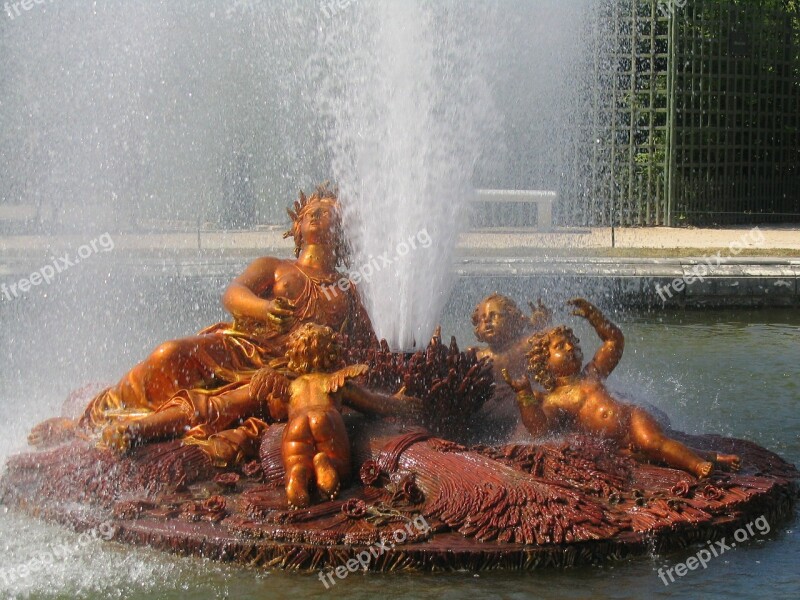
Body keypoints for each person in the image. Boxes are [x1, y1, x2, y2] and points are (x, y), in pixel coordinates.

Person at [29, 184, 376, 446]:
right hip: (245, 347)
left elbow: (365, 347)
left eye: (327, 210)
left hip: (284, 372)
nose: (316, 213)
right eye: (309, 211)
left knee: (227, 404)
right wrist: (265, 308)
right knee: (170, 354)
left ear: (340, 229)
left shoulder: (347, 289)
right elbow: (233, 294)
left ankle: (141, 429)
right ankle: (91, 419)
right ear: (297, 229)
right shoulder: (274, 267)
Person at [503, 298, 740, 479]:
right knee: (651, 453)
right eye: (560, 346)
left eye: (572, 343)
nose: (570, 347)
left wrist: (596, 317)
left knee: (651, 443)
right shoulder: (552, 401)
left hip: (630, 418)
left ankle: (697, 465)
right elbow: (539, 429)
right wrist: (524, 394)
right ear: (543, 361)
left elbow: (614, 342)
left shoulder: (591, 373)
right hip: (613, 442)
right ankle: (714, 457)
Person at [469, 293, 551, 439]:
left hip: (522, 405)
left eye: (494, 316)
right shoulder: (476, 356)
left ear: (512, 320)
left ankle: (521, 443)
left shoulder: (526, 345)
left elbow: (549, 342)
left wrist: (541, 326)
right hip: (490, 412)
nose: (487, 321)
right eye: (482, 319)